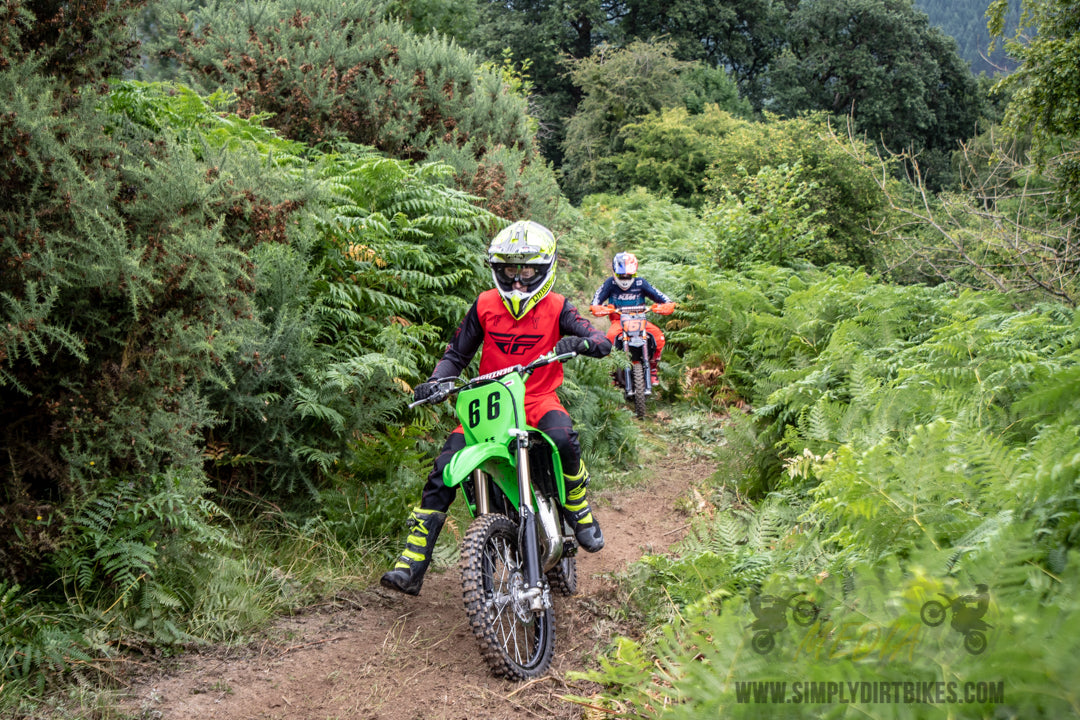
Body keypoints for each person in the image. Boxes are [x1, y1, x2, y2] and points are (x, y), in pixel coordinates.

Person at [381, 220, 612, 596]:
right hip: (488, 404)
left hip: (537, 399)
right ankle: (413, 562)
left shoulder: (556, 307)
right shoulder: (485, 304)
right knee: (442, 470)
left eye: (527, 273)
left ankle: (578, 508)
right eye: (509, 272)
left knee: (564, 438)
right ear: (497, 270)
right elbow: (457, 353)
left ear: (544, 270)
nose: (518, 282)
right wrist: (440, 379)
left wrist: (588, 343)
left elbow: (593, 334)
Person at [590, 252, 674, 384]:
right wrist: (598, 308)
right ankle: (612, 371)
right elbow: (596, 300)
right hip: (619, 320)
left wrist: (667, 305)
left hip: (640, 319)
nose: (625, 279)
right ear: (614, 272)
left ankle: (652, 368)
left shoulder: (640, 283)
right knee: (610, 339)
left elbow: (660, 296)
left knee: (659, 337)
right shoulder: (610, 283)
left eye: (629, 276)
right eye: (621, 276)